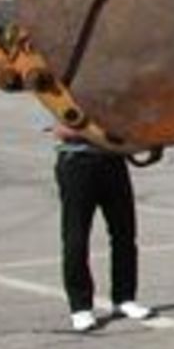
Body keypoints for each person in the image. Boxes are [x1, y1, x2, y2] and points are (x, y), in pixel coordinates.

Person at [53, 123, 154, 332]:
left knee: (124, 234)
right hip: (77, 163)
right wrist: (103, 132)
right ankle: (80, 307)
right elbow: (62, 131)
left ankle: (124, 299)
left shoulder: (110, 93)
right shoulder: (67, 93)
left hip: (113, 162)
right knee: (76, 238)